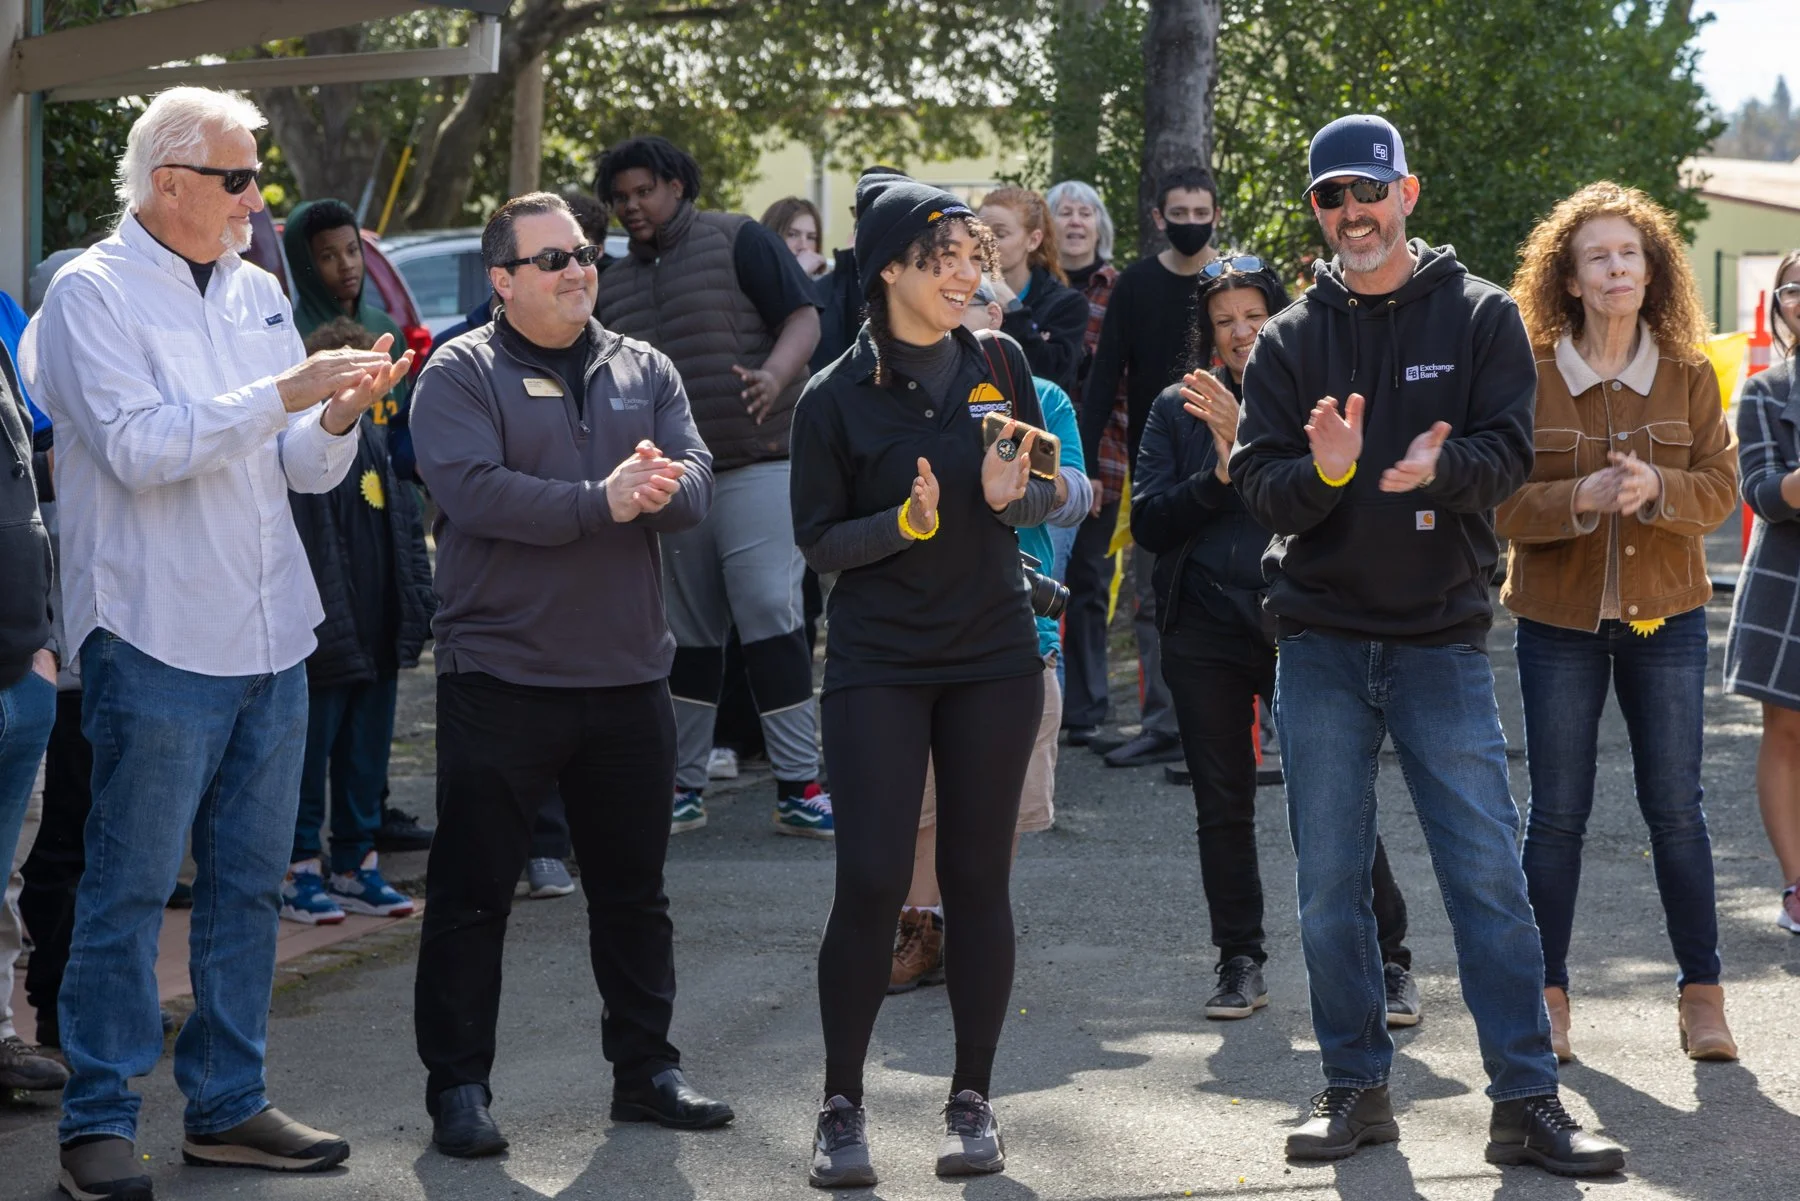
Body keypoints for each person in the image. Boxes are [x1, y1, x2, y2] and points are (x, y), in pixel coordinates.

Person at [21, 86, 411, 1196]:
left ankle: (227, 1103)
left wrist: (336, 413)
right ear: (169, 183)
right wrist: (287, 389)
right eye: (238, 179)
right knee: (130, 887)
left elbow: (297, 465)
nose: (258, 198)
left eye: (256, 178)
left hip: (270, 629)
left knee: (248, 885)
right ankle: (97, 1116)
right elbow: (142, 450)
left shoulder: (255, 290)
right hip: (153, 631)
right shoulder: (88, 293)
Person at [1231, 114, 1624, 1175]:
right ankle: (1356, 1089)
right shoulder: (1287, 339)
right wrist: (1329, 473)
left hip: (1441, 642)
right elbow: (1257, 482)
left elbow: (1508, 458)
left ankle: (1527, 1099)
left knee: (1487, 875)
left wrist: (1432, 473)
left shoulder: (1483, 315)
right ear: (1315, 208)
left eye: (1368, 190)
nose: (1351, 213)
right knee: (1327, 889)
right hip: (1319, 641)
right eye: (1330, 196)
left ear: (1408, 192)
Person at [409, 191, 731, 1158]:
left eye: (585, 253)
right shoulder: (459, 373)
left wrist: (664, 488)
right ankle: (459, 1089)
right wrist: (604, 499)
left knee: (635, 894)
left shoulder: (647, 365)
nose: (577, 270)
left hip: (628, 674)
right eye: (551, 260)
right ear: (501, 280)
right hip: (501, 676)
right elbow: (472, 490)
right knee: (472, 896)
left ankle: (648, 1072)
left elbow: (700, 475)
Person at [789, 175, 1054, 1187]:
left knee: (980, 885)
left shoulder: (1002, 362)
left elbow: (1035, 492)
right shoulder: (833, 398)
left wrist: (1011, 495)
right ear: (889, 268)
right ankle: (841, 1104)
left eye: (971, 254)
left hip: (993, 658)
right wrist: (902, 525)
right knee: (870, 885)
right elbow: (817, 543)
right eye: (941, 254)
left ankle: (973, 1101)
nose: (962, 270)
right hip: (879, 668)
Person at [1130, 256, 1420, 1024]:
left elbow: (1334, 505)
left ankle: (1392, 961)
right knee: (1220, 804)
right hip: (1201, 628)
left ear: (1278, 317)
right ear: (1208, 333)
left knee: (1334, 792)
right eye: (1224, 320)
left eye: (1253, 315)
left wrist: (1250, 441)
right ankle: (1239, 961)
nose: (1240, 332)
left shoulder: (1310, 400)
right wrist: (1218, 473)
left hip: (1299, 619)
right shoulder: (1175, 407)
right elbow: (1152, 521)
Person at [1500, 182, 1739, 1064]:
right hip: (1556, 620)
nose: (1615, 269)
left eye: (1629, 255)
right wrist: (1581, 498)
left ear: (1653, 271)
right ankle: (1548, 998)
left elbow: (1720, 485)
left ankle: (1702, 997)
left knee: (1677, 809)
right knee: (1556, 814)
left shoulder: (1686, 372)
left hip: (1664, 620)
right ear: (1566, 276)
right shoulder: (1524, 372)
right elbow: (1495, 501)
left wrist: (1658, 490)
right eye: (1597, 256)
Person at [594, 136, 831, 838]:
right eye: (621, 198)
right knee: (686, 634)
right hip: (674, 477)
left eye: (644, 191)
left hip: (760, 457)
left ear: (677, 185)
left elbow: (804, 315)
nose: (633, 206)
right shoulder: (612, 281)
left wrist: (775, 377)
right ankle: (682, 786)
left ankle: (800, 783)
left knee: (767, 607)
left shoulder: (739, 240)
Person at [888, 284, 1092, 995]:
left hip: (1015, 628)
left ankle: (974, 923)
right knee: (919, 799)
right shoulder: (896, 385)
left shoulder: (1039, 393)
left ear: (996, 317)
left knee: (994, 800)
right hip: (919, 627)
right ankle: (921, 926)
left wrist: (1016, 488)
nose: (951, 309)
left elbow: (1077, 491)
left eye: (970, 297)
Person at [279, 317, 436, 926]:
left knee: (365, 761)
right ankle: (299, 871)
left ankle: (355, 863)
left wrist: (413, 612)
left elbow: (404, 539)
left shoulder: (377, 444)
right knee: (307, 761)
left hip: (375, 637)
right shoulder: (297, 445)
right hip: (322, 644)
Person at [1074, 166, 1222, 769]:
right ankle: (1164, 724)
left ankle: (1243, 726)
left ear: (1216, 212)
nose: (1191, 224)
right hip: (1154, 465)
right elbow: (1104, 377)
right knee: (1152, 597)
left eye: (1200, 213)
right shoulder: (1134, 285)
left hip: (1229, 454)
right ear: (1159, 218)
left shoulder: (1235, 280)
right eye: (1178, 214)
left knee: (1242, 589)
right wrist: (1081, 463)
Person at [1727, 250, 1800, 933]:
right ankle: (1796, 885)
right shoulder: (1764, 391)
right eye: (1792, 290)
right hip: (1789, 582)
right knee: (1784, 729)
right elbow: (1759, 491)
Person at [0, 319, 61, 1097]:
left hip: (21, 668)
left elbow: (29, 489)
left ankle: (2, 1038)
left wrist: (43, 647)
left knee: (5, 879)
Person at [1046, 179, 1130, 708]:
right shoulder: (1035, 288)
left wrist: (1096, 466)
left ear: (1100, 227)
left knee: (1089, 586)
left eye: (1085, 213)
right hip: (1030, 458)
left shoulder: (1119, 289)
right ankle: (1043, 696)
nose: (1076, 222)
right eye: (1064, 212)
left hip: (1105, 456)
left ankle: (1087, 705)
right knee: (1036, 582)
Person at [976, 187, 1089, 398]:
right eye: (980, 232)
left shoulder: (1067, 304)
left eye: (1000, 234)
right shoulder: (962, 293)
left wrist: (1012, 307)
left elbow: (1051, 376)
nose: (986, 243)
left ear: (1033, 240)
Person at [761, 195, 829, 277]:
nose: (803, 246)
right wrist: (799, 273)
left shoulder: (823, 285)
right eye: (792, 235)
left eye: (811, 238)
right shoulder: (750, 280)